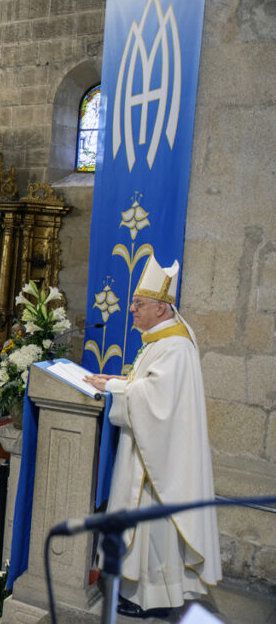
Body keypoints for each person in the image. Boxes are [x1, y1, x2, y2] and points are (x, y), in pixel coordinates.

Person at [83, 257, 221, 617]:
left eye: (139, 304)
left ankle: (152, 600)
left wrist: (115, 386)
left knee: (154, 531)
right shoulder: (162, 340)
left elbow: (156, 404)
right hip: (151, 451)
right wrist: (115, 384)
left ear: (161, 308)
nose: (131, 309)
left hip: (157, 465)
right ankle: (141, 592)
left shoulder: (174, 346)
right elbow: (149, 390)